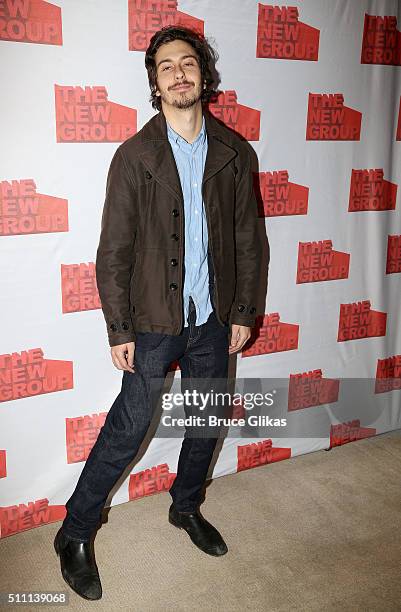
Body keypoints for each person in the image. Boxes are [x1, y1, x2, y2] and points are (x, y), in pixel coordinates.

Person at [54, 25, 262, 601]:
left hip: (214, 318)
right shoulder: (134, 157)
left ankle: (186, 506)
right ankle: (74, 531)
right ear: (154, 80)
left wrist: (243, 311)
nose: (178, 73)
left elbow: (248, 240)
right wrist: (118, 326)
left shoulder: (234, 154)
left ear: (204, 75)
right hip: (150, 318)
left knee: (205, 419)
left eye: (187, 63)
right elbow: (114, 249)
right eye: (166, 65)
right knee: (129, 425)